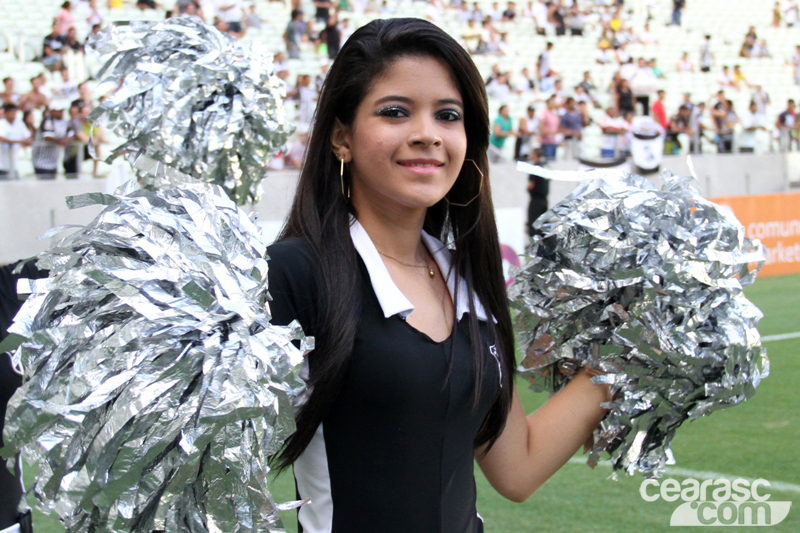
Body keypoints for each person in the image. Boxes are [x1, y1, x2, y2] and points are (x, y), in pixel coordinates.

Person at [266, 18, 610, 533]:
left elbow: (518, 465)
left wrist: (637, 349)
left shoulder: (469, 283)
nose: (427, 134)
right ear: (341, 137)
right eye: (395, 112)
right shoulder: (295, 272)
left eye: (448, 115)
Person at [0, 104, 33, 180]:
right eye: (11, 112)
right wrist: (20, 141)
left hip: (14, 164)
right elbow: (1, 138)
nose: (13, 114)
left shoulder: (19, 123)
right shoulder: (1, 123)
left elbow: (28, 138)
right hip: (1, 165)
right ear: (5, 113)